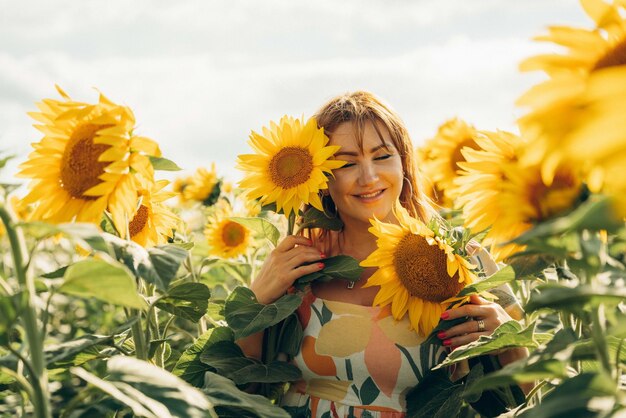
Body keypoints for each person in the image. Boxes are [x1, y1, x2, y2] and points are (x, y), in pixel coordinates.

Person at [239, 91, 528, 417]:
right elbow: (242, 393)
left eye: (381, 156)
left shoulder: (461, 260)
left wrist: (510, 343)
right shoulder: (297, 266)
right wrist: (255, 307)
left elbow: (537, 396)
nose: (369, 177)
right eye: (347, 163)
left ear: (404, 161)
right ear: (320, 177)